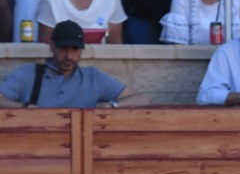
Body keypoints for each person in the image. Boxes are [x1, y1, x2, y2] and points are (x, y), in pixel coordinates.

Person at [0, 20, 148, 108]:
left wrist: (113, 105)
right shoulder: (28, 73)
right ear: (52, 46)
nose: (69, 56)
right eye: (63, 49)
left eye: (75, 49)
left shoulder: (92, 77)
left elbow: (141, 99)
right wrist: (24, 107)